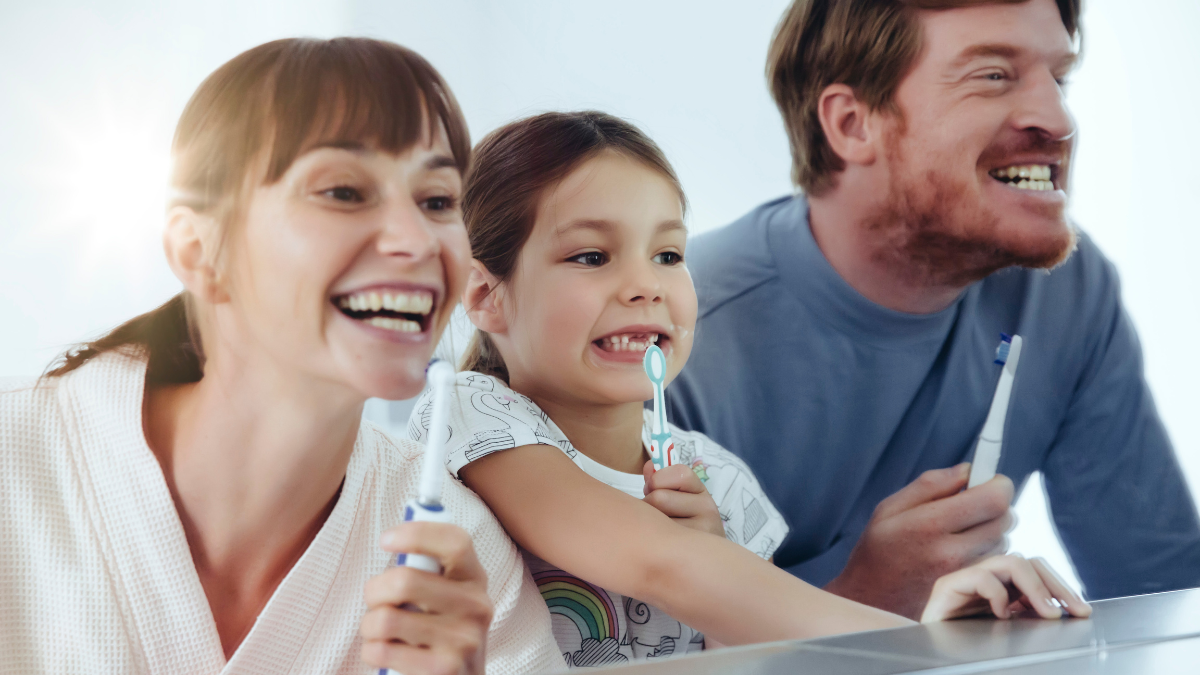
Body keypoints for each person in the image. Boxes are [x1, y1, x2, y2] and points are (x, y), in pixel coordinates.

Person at [407, 110, 1089, 668]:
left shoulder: (719, 481)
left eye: (668, 253)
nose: (647, 284)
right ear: (486, 296)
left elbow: (763, 657)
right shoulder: (469, 413)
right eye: (591, 255)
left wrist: (935, 615)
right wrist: (916, 645)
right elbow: (661, 565)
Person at [0, 38, 562, 675]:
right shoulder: (14, 457)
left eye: (436, 201)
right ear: (198, 251)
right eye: (344, 192)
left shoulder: (465, 556)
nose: (415, 240)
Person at [667, 0, 1200, 621]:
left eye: (1059, 78)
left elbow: (1165, 598)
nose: (1058, 120)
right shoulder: (669, 336)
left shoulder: (1066, 295)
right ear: (852, 123)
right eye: (994, 75)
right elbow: (613, 651)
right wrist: (863, 601)